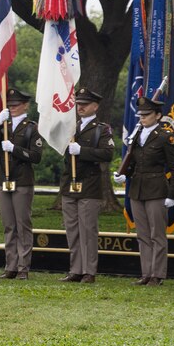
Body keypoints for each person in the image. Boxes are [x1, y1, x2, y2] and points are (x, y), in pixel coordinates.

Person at [115, 96, 174, 286]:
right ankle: (146, 273)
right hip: (137, 189)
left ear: (158, 116)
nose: (143, 118)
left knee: (157, 234)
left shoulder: (164, 136)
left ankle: (158, 275)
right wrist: (124, 175)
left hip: (157, 189)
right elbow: (133, 162)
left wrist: (172, 195)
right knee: (142, 235)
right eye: (141, 115)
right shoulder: (137, 135)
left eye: (147, 115)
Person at [0, 87, 43, 279]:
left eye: (16, 105)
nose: (13, 108)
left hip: (22, 180)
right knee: (9, 225)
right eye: (10, 105)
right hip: (3, 179)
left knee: (22, 224)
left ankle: (23, 267)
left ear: (25, 105)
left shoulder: (32, 128)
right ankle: (10, 265)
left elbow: (35, 156)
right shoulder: (4, 125)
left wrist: (14, 149)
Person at [59, 87, 115, 284]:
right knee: (72, 229)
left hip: (90, 184)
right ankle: (75, 269)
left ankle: (89, 271)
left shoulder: (102, 129)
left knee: (88, 229)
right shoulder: (71, 127)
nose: (80, 107)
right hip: (70, 183)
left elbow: (108, 154)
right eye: (78, 104)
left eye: (84, 104)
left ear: (95, 106)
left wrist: (82, 151)